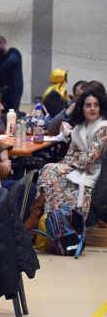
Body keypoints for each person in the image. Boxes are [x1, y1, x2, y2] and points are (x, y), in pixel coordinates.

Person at [36, 90, 107, 220]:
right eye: (88, 105)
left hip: (95, 173)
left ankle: (56, 222)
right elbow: (70, 157)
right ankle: (49, 220)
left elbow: (88, 160)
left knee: (52, 175)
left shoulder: (103, 128)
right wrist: (78, 158)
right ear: (82, 108)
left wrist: (77, 158)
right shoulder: (80, 127)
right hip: (79, 170)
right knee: (48, 169)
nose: (92, 109)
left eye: (96, 105)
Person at [0, 35, 24, 112]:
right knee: (4, 110)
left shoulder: (14, 53)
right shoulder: (0, 58)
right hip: (5, 89)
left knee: (14, 111)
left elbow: (9, 63)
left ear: (3, 43)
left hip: (15, 89)